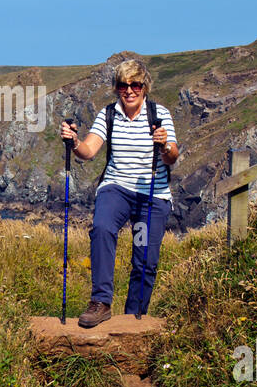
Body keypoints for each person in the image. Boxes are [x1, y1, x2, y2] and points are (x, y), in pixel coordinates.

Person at [60, 59, 179, 327]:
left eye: (135, 84)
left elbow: (172, 157)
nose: (129, 91)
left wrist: (163, 146)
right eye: (123, 85)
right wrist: (75, 142)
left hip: (152, 193)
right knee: (102, 228)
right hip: (116, 188)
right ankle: (101, 302)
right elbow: (89, 151)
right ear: (116, 88)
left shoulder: (159, 114)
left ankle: (133, 315)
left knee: (144, 257)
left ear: (145, 86)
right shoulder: (109, 114)